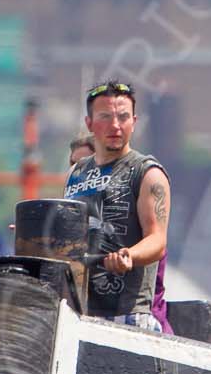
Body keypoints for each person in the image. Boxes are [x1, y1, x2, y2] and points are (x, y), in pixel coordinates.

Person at [67, 80, 171, 332]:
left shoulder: (147, 172)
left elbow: (157, 240)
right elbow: (68, 235)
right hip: (80, 312)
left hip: (129, 313)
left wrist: (129, 256)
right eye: (105, 116)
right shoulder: (77, 172)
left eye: (123, 117)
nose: (115, 125)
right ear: (89, 123)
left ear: (134, 121)